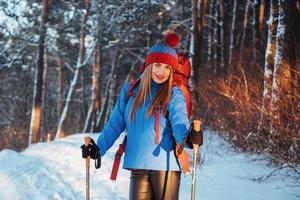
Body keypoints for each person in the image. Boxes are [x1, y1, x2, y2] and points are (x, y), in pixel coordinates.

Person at [81, 33, 202, 200]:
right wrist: (98, 148)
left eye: (168, 68)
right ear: (148, 65)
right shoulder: (130, 91)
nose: (162, 72)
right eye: (158, 65)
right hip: (138, 165)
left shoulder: (174, 94)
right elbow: (115, 124)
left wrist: (188, 138)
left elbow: (179, 122)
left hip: (166, 166)